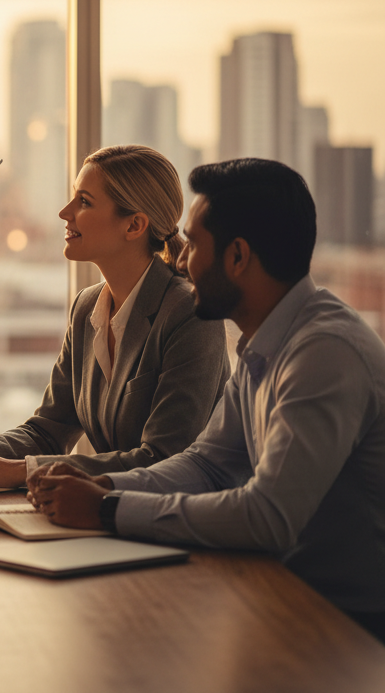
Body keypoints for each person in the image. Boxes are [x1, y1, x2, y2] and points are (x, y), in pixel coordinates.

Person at [28, 158, 385, 639]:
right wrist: (107, 489)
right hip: (280, 596)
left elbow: (268, 517)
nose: (179, 259)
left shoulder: (323, 353)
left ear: (237, 257)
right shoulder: (265, 343)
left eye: (194, 244)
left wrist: (106, 510)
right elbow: (208, 465)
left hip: (348, 627)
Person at [0, 145, 228, 487]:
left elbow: (164, 458)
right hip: (112, 513)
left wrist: (18, 472)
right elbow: (47, 431)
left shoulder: (190, 313)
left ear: (135, 225)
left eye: (84, 202)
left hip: (183, 519)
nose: (64, 213)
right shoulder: (86, 308)